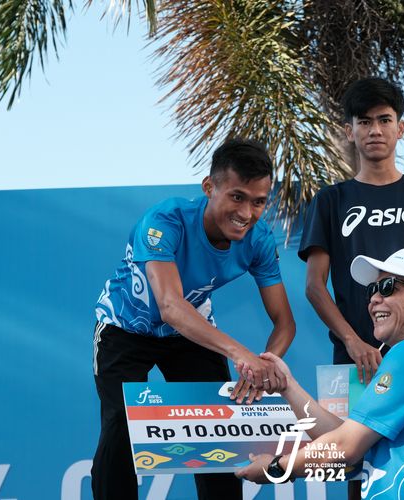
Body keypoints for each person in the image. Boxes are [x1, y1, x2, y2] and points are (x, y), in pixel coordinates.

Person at [91, 139, 296, 499]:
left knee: (218, 431)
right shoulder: (163, 221)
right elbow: (170, 307)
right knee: (121, 426)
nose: (246, 213)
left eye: (258, 202)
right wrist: (241, 354)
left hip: (190, 334)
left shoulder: (259, 239)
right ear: (209, 187)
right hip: (125, 327)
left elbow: (284, 323)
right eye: (237, 197)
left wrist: (264, 366)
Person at [237, 248, 404, 499]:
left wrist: (277, 467)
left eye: (388, 287)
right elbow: (347, 439)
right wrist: (288, 387)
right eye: (372, 290)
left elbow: (345, 446)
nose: (374, 299)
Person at [298, 77, 404, 387]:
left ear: (400, 128)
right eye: (364, 122)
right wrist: (352, 341)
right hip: (356, 361)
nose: (375, 130)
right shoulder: (330, 200)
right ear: (350, 131)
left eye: (385, 120)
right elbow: (314, 285)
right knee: (356, 423)